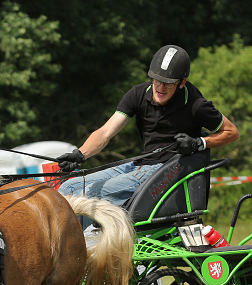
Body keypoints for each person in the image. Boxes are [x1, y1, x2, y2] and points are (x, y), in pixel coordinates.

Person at [56, 44, 240, 214]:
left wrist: (198, 143)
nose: (160, 87)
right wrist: (81, 154)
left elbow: (232, 133)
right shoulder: (138, 94)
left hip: (166, 172)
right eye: (156, 80)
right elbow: (105, 133)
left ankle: (88, 244)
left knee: (91, 193)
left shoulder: (196, 104)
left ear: (182, 83)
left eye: (168, 83)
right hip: (140, 165)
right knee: (68, 188)